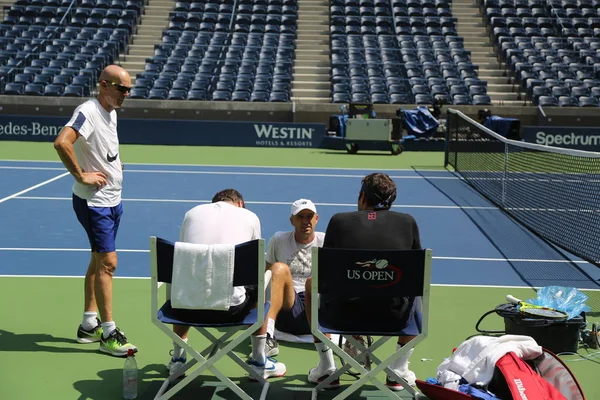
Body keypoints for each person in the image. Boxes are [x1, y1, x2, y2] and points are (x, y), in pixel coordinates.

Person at [304, 173, 422, 391]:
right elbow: (416, 274)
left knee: (311, 284)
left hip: (341, 317)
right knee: (417, 286)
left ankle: (327, 367)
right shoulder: (408, 222)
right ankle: (399, 370)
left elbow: (325, 272)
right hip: (394, 319)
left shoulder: (338, 221)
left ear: (362, 196)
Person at [53, 65, 136, 357]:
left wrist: (114, 165)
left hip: (112, 199)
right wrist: (80, 175)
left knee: (97, 259)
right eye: (122, 88)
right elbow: (62, 143)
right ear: (104, 85)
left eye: (128, 89)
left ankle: (89, 325)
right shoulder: (88, 111)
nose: (126, 94)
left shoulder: (110, 112)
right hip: (95, 202)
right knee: (108, 263)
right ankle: (109, 334)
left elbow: (104, 148)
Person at [168, 189, 286, 379]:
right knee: (261, 282)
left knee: (186, 281)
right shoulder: (249, 216)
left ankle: (178, 360)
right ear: (239, 203)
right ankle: (258, 362)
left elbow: (184, 259)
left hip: (186, 309)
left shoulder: (191, 213)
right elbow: (254, 263)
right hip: (233, 309)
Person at [261, 199, 325, 356]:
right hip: (288, 309)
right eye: (300, 217)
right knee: (279, 269)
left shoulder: (326, 241)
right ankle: (267, 336)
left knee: (313, 283)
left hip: (317, 311)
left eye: (309, 216)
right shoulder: (279, 240)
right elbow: (267, 277)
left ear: (316, 218)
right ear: (292, 220)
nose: (305, 221)